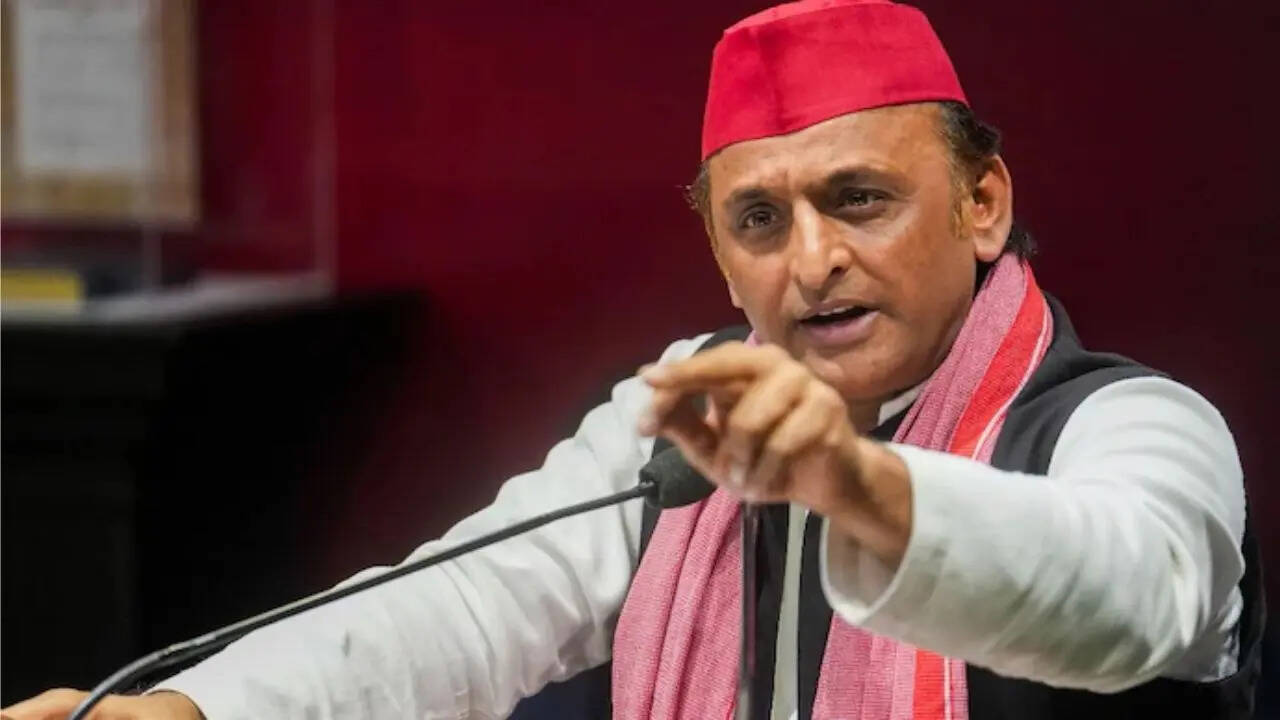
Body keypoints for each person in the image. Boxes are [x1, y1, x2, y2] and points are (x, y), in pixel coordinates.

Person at [3, 1, 1260, 718]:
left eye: (859, 199)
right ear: (717, 252)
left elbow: (1126, 596)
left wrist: (857, 488)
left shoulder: (1135, 425)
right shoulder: (689, 414)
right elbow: (466, 603)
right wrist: (190, 710)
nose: (809, 260)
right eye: (757, 220)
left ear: (981, 204)